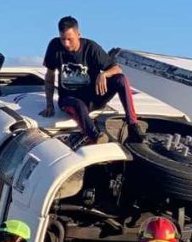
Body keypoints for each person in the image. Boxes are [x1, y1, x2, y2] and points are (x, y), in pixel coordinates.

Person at [40, 16, 144, 145]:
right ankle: (96, 137)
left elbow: (117, 69)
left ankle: (133, 125)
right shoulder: (54, 46)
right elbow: (49, 76)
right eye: (63, 39)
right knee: (78, 104)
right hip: (70, 99)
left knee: (120, 80)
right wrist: (49, 104)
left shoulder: (91, 47)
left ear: (78, 34)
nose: (66, 44)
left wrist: (104, 74)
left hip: (93, 96)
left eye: (69, 39)